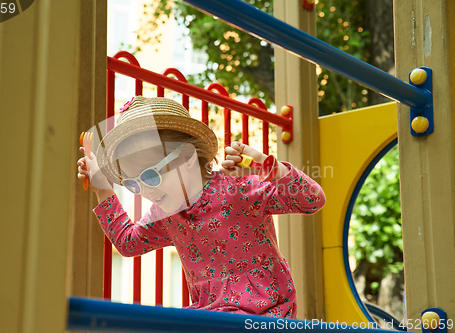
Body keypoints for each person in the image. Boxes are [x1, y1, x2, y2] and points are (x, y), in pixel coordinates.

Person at [77, 96, 325, 318]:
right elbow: (128, 243)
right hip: (210, 315)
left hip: (265, 310)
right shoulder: (165, 214)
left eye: (151, 176)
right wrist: (102, 189)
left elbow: (311, 199)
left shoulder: (237, 188)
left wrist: (265, 165)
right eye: (134, 183)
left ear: (186, 158)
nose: (146, 191)